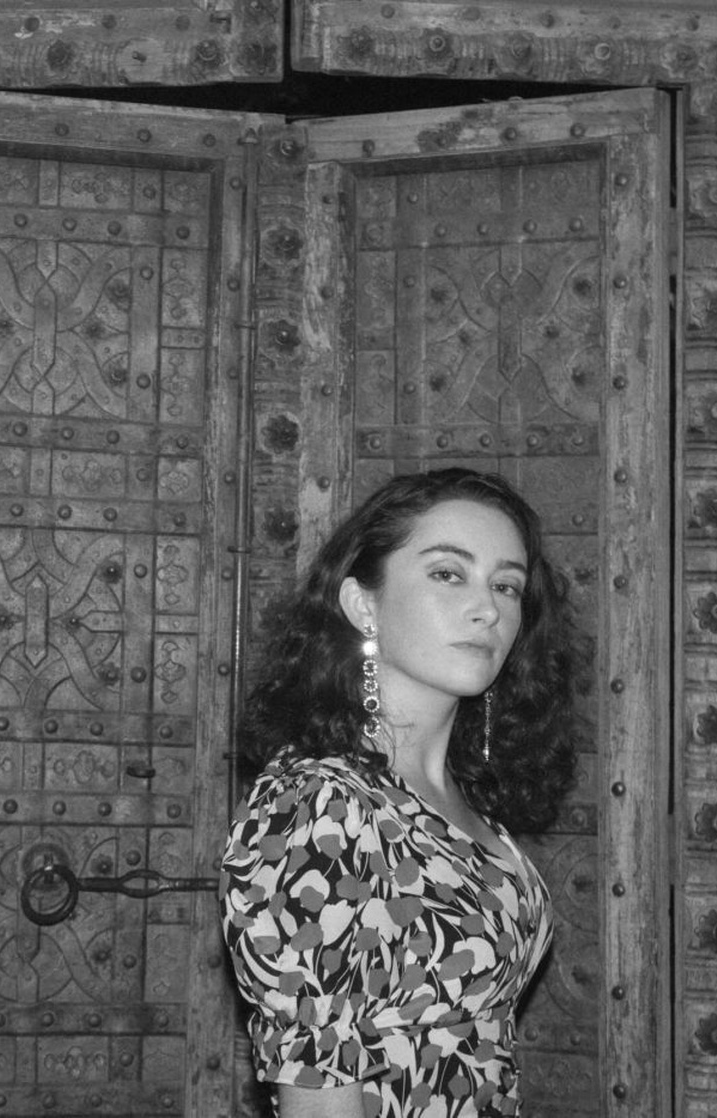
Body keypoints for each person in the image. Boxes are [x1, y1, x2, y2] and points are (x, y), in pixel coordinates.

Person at [219, 467, 587, 1118]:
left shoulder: (460, 798)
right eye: (448, 573)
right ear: (363, 605)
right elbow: (318, 1088)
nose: (488, 608)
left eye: (506, 585)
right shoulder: (319, 804)